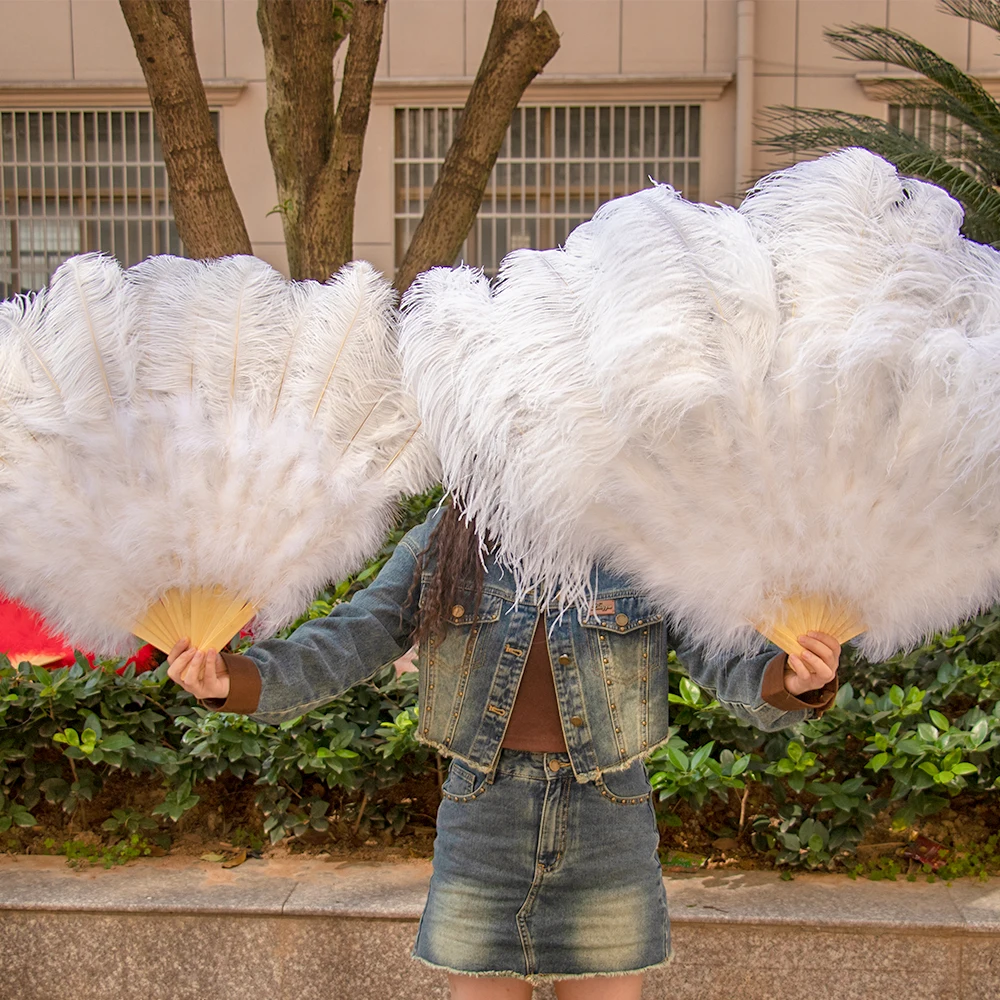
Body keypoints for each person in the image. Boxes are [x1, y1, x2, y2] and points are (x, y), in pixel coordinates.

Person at [168, 504, 841, 1000]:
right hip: (483, 818)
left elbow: (722, 660)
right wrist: (236, 679)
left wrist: (792, 678)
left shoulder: (646, 540)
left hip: (607, 818)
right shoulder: (451, 535)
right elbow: (356, 634)